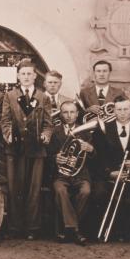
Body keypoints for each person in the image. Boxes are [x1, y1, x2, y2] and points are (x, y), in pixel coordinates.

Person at [1, 60, 53, 240]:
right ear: (18, 76)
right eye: (23, 74)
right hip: (14, 149)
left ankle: (32, 227)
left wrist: (46, 135)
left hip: (36, 149)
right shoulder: (10, 95)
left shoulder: (43, 97)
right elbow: (5, 119)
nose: (26, 77)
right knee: (15, 188)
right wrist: (7, 134)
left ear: (35, 76)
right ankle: (15, 227)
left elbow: (48, 123)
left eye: (29, 74)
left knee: (34, 189)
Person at [95, 95, 130, 241]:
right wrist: (110, 173)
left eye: (125, 109)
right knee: (98, 194)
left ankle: (124, 232)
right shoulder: (104, 129)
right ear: (114, 111)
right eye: (119, 109)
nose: (122, 113)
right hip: (108, 175)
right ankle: (100, 230)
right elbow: (99, 156)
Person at [48, 101, 95, 245]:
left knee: (85, 191)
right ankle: (75, 230)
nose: (69, 116)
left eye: (72, 112)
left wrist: (90, 149)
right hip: (61, 175)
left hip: (80, 175)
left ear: (77, 113)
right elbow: (47, 156)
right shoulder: (54, 132)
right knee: (60, 190)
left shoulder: (86, 132)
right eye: (65, 112)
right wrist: (55, 158)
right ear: (60, 114)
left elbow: (96, 158)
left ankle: (67, 229)